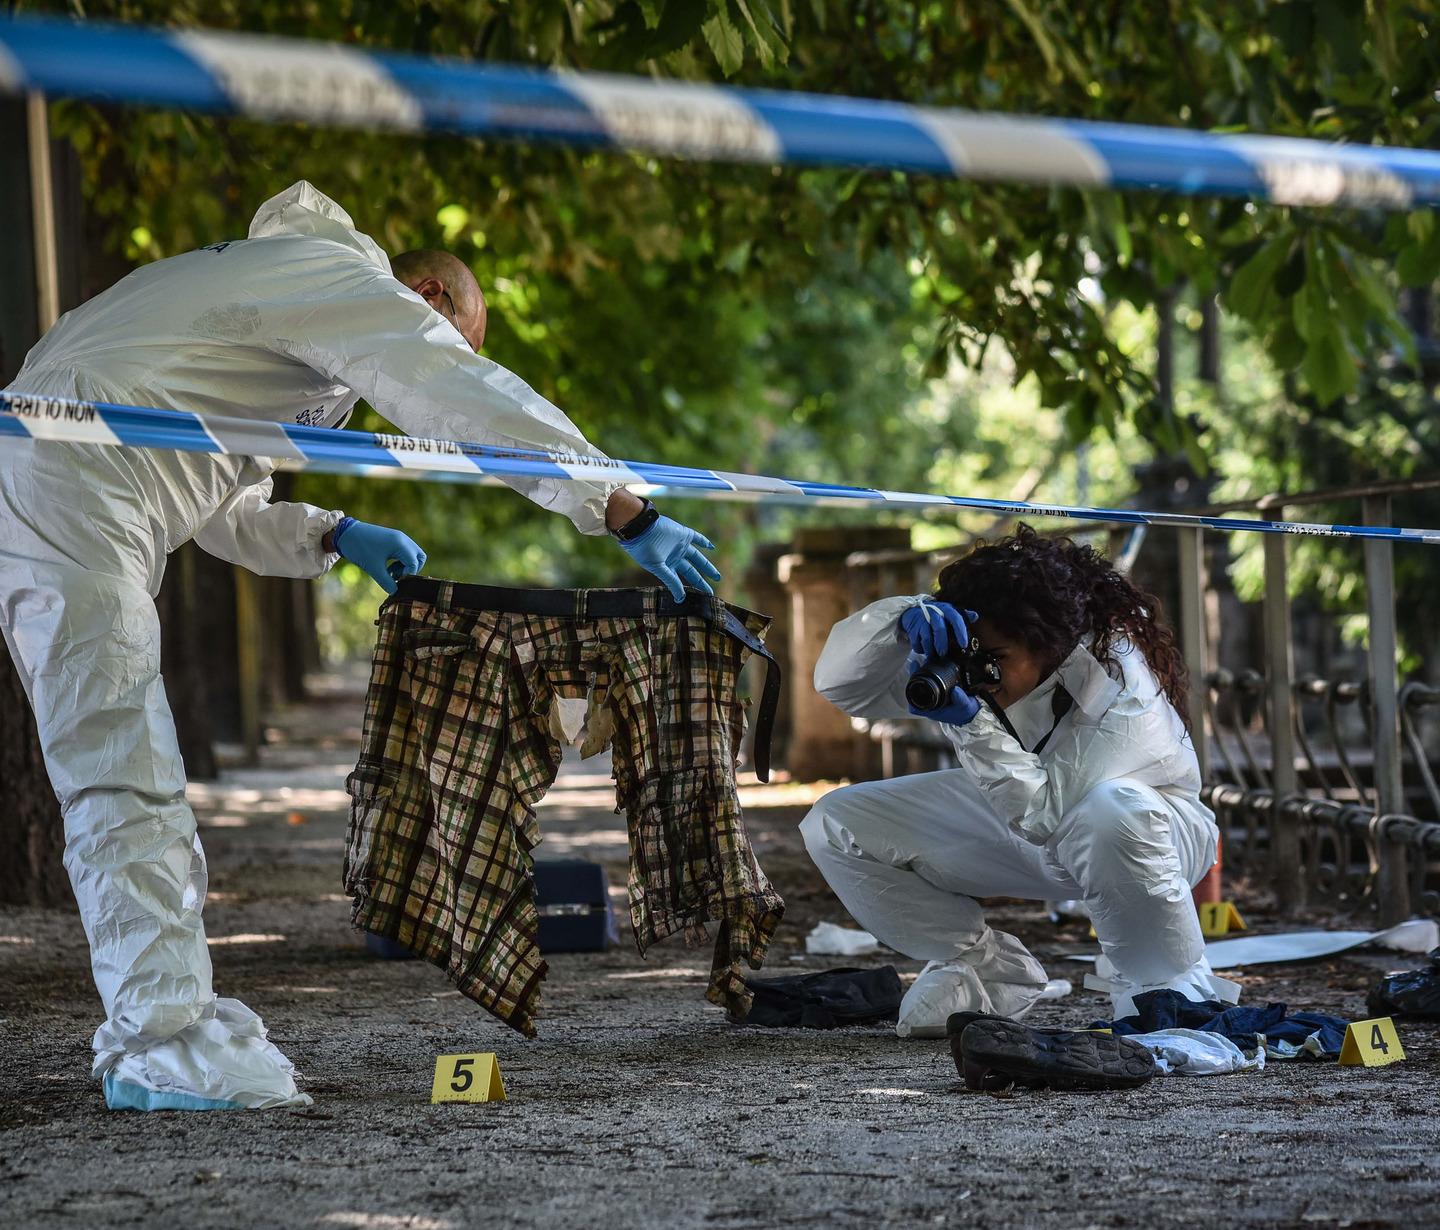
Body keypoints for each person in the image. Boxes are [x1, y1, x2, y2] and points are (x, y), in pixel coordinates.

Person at [0, 180, 719, 1111]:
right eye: (455, 331)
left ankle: (168, 1018)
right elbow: (460, 397)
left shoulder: (250, 295)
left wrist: (332, 534)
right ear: (428, 301)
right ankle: (160, 1039)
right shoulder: (334, 278)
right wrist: (622, 509)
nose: (437, 349)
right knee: (122, 765)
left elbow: (216, 496)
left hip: (73, 468)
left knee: (122, 757)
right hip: (78, 478)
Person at [800, 524, 1232, 1037]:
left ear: (1048, 644)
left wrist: (973, 723)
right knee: (837, 822)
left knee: (1113, 812)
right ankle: (987, 969)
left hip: (1150, 835)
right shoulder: (982, 656)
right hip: (1026, 816)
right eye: (971, 655)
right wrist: (899, 623)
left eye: (995, 659)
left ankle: (1167, 993)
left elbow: (1047, 815)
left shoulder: (1116, 681)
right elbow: (839, 686)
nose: (980, 673)